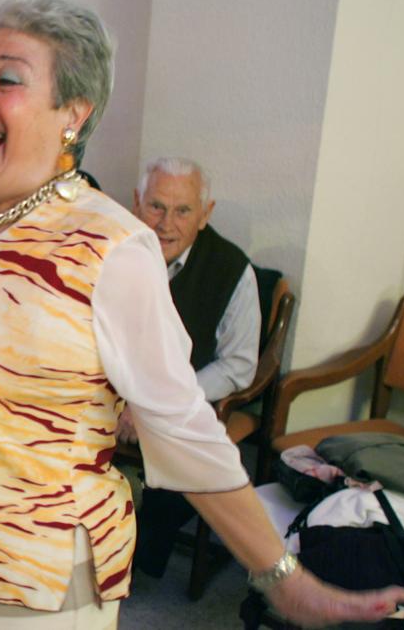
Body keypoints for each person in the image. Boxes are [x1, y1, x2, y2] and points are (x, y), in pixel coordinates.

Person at [0, 0, 404, 628]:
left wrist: (287, 581)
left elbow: (187, 433)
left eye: (8, 79)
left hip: (16, 583)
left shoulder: (110, 250)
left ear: (73, 115)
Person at [123, 156, 262, 577]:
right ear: (136, 203)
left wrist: (157, 402)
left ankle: (132, 564)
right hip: (114, 393)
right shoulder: (116, 252)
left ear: (206, 214)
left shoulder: (232, 269)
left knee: (180, 454)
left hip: (183, 400)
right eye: (156, 207)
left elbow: (239, 365)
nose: (167, 223)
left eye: (183, 210)